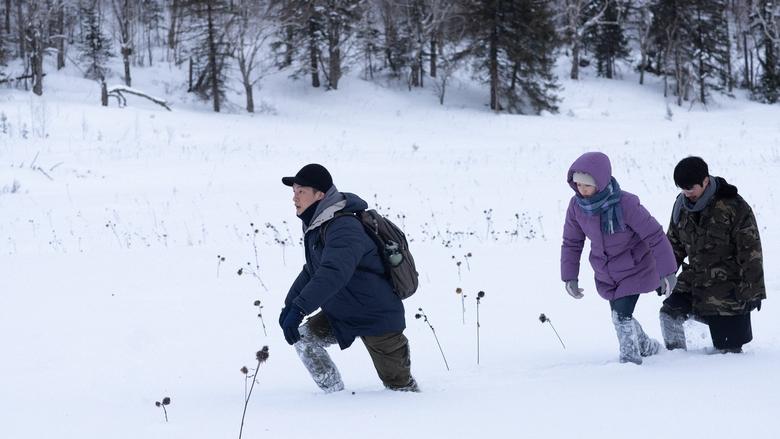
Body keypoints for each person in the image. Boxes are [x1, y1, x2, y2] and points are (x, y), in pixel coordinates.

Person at [278, 163, 419, 392]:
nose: (294, 197)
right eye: (293, 191)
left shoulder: (343, 227)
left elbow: (333, 273)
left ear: (320, 195)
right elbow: (313, 270)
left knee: (400, 389)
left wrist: (300, 308)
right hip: (344, 312)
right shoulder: (319, 225)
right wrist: (290, 305)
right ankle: (334, 397)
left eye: (301, 191)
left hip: (376, 315)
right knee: (305, 340)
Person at [561, 152, 678, 364]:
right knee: (620, 315)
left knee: (621, 317)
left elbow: (655, 235)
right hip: (606, 271)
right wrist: (570, 276)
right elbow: (572, 243)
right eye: (577, 184)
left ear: (601, 181)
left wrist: (668, 272)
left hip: (637, 267)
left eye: (587, 185)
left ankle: (630, 360)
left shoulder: (626, 204)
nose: (582, 190)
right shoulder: (577, 207)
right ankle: (647, 346)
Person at [660, 156, 765, 353]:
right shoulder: (681, 207)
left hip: (728, 291)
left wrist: (753, 289)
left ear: (705, 181)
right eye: (682, 189)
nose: (686, 193)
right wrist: (663, 274)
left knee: (728, 350)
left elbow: (751, 251)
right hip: (694, 282)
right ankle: (676, 362)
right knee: (669, 315)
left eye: (690, 188)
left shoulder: (734, 206)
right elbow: (673, 245)